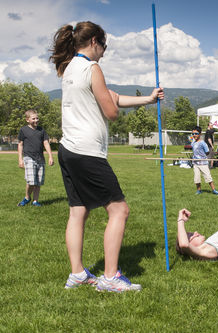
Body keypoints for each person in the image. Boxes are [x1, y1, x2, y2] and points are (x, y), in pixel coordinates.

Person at [50, 21, 164, 292]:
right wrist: (111, 99)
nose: (104, 52)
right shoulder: (92, 67)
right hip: (88, 151)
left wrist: (147, 100)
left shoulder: (68, 69)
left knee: (78, 211)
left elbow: (110, 97)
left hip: (68, 149)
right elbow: (111, 111)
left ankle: (78, 274)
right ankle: (110, 278)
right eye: (104, 46)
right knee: (119, 210)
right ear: (94, 42)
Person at [17, 110, 54, 207]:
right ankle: (27, 197)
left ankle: (35, 201)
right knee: (31, 181)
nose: (36, 120)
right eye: (33, 118)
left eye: (37, 118)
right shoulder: (23, 130)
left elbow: (46, 143)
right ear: (27, 120)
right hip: (29, 158)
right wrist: (20, 159)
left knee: (38, 182)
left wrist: (50, 156)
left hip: (40, 159)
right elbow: (20, 145)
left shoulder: (42, 130)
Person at [192, 126, 218, 195]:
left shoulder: (203, 143)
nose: (194, 135)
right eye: (193, 134)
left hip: (203, 163)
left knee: (208, 177)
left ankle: (214, 190)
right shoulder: (193, 143)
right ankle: (199, 190)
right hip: (195, 163)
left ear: (200, 134)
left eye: (196, 133)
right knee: (197, 178)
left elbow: (207, 152)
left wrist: (202, 156)